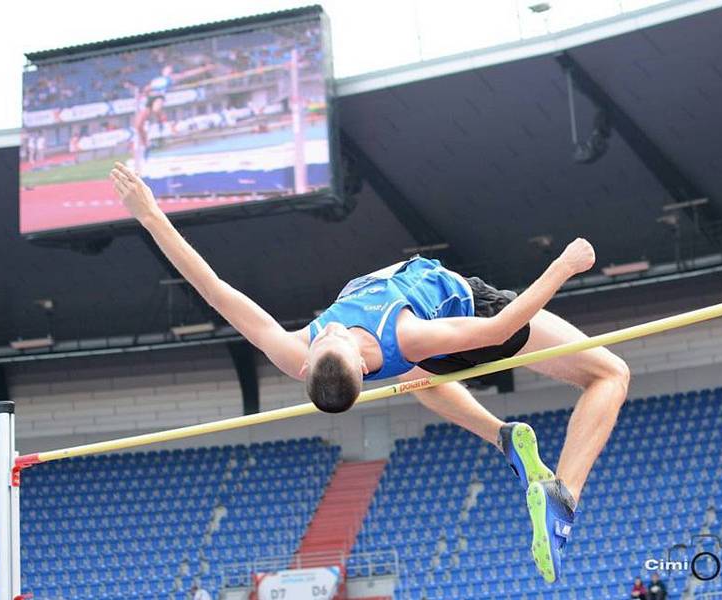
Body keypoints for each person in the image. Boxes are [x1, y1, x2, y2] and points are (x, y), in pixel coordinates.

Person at [109, 163, 630, 585]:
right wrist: (564, 265)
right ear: (358, 363)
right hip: (472, 314)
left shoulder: (294, 351)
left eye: (323, 339)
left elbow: (215, 289)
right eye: (332, 338)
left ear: (308, 365)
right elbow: (499, 328)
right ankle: (562, 498)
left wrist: (152, 216)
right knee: (610, 373)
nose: (328, 332)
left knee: (422, 382)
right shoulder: (404, 335)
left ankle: (502, 437)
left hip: (433, 356)